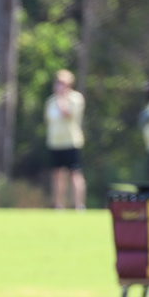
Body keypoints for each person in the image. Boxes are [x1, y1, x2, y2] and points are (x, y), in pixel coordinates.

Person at [44, 69, 86, 210]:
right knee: (57, 174)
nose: (59, 86)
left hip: (71, 142)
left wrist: (62, 99)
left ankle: (78, 204)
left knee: (74, 173)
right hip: (55, 142)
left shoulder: (75, 99)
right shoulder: (50, 101)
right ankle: (58, 204)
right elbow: (48, 121)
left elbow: (67, 114)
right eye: (57, 83)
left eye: (62, 83)